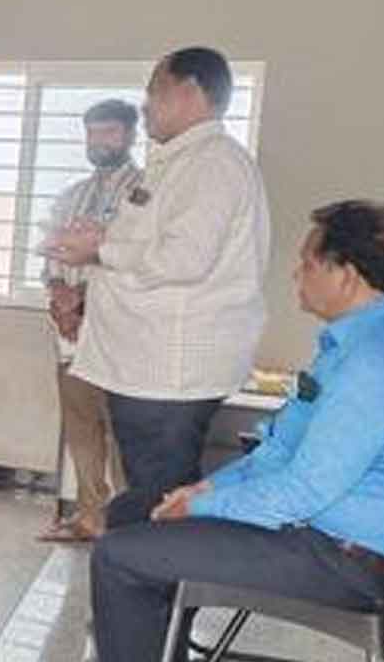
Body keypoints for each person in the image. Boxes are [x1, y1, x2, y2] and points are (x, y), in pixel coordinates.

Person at [91, 200, 384, 662]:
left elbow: (304, 490)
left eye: (307, 263)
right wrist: (207, 487)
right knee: (134, 509)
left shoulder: (376, 364)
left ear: (347, 275)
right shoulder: (371, 337)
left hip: (339, 555)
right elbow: (281, 449)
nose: (296, 274)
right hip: (319, 529)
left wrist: (201, 506)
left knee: (119, 556)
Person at [44, 47, 270, 528]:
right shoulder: (175, 165)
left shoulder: (213, 165)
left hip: (169, 376)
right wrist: (97, 244)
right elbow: (145, 245)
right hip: (143, 366)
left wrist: (100, 248)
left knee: (155, 502)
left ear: (189, 93)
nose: (146, 104)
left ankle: (150, 598)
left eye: (153, 91)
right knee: (151, 499)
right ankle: (143, 589)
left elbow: (184, 259)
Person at [38, 100, 143, 543]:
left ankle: (124, 525)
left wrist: (85, 300)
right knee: (80, 424)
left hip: (120, 331)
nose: (98, 142)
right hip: (71, 331)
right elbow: (48, 254)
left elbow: (139, 259)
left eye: (109, 133)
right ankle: (88, 516)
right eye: (92, 134)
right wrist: (60, 296)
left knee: (122, 427)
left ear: (130, 136)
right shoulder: (73, 194)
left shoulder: (145, 193)